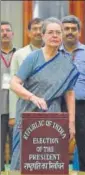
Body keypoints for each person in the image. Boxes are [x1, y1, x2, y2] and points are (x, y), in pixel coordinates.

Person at [10, 17, 79, 170]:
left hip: (52, 116)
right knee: (23, 160)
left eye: (58, 32)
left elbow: (69, 93)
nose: (55, 36)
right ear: (43, 36)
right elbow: (14, 83)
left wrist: (71, 123)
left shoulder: (66, 62)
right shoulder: (33, 58)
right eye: (51, 32)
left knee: (49, 161)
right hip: (28, 113)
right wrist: (32, 97)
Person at [61, 15, 85, 171]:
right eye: (67, 29)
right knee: (56, 146)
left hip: (83, 106)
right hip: (59, 105)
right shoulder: (53, 52)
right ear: (62, 31)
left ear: (79, 32)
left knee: (84, 146)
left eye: (73, 29)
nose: (70, 32)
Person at [9, 18, 43, 126]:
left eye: (41, 29)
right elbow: (12, 86)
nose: (38, 32)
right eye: (34, 29)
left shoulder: (55, 53)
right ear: (28, 33)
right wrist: (13, 115)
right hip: (25, 106)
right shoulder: (19, 54)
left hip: (48, 106)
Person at [0, 21, 16, 171]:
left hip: (16, 109)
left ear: (13, 34)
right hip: (0, 109)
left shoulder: (20, 54)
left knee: (16, 148)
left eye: (7, 30)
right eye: (2, 30)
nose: (4, 33)